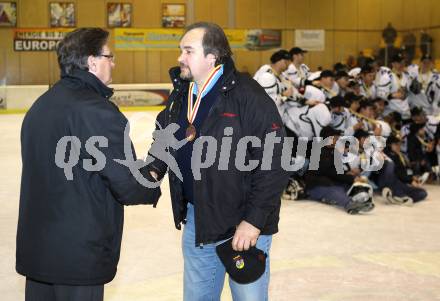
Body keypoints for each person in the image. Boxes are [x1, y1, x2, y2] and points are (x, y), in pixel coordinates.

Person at [16, 28, 161, 301]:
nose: (114, 63)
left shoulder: (39, 107)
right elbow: (130, 186)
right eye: (110, 56)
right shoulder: (98, 112)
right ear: (92, 61)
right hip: (78, 258)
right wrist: (157, 165)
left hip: (38, 254)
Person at [149, 22, 288, 300]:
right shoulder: (181, 96)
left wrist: (253, 220)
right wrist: (151, 170)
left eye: (188, 51)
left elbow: (274, 161)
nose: (180, 58)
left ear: (211, 57)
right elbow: (165, 140)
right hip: (198, 222)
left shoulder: (248, 96)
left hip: (241, 224)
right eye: (180, 50)